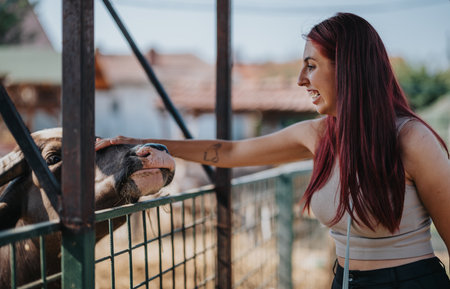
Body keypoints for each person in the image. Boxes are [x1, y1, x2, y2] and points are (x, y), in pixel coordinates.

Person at [96, 12, 450, 289]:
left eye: (311, 66)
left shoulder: (412, 139)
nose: (300, 79)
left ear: (350, 69)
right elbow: (228, 152)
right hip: (343, 281)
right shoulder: (318, 134)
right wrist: (144, 145)